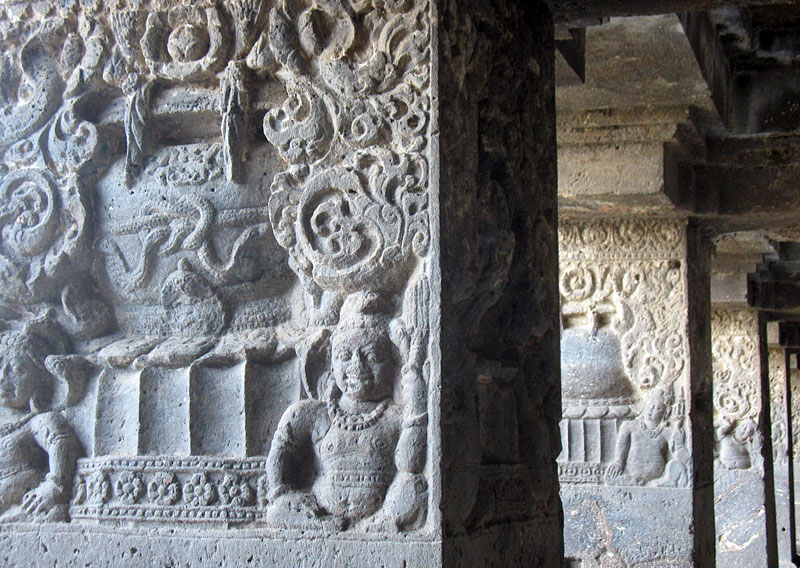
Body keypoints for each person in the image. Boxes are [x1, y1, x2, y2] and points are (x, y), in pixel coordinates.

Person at [266, 289, 427, 530]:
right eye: (344, 355)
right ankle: (320, 525)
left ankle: (382, 523)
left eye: (372, 356)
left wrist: (413, 383)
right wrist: (281, 492)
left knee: (415, 488)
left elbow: (410, 466)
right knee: (278, 511)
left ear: (393, 362)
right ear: (330, 363)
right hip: (318, 512)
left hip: (383, 515)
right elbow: (281, 452)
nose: (357, 366)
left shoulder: (395, 416)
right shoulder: (312, 414)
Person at [0, 320, 80, 521]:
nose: (3, 378)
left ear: (41, 379)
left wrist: (55, 486)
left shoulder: (37, 422)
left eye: (17, 371)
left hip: (26, 506)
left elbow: (61, 441)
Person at [606, 386, 687, 487]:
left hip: (658, 478)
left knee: (677, 466)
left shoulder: (667, 432)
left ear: (666, 412)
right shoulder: (629, 426)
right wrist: (618, 463)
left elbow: (678, 455)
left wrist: (679, 441)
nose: (650, 410)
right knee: (610, 477)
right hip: (630, 475)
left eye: (657, 408)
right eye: (649, 405)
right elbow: (621, 447)